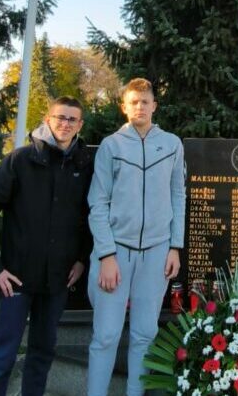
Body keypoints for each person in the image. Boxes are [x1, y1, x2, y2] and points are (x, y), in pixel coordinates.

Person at [0, 96, 93, 396]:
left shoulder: (83, 165)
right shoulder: (20, 160)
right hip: (14, 280)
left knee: (42, 353)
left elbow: (90, 217)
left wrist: (81, 259)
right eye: (60, 117)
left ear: (80, 125)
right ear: (48, 119)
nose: (65, 124)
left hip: (56, 281)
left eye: (72, 119)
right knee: (2, 358)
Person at [87, 78, 186, 396]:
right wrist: (105, 255)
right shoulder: (110, 145)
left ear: (154, 105)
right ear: (124, 107)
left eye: (145, 101)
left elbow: (178, 195)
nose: (140, 107)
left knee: (144, 332)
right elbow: (97, 202)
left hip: (157, 252)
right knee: (106, 335)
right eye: (133, 102)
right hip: (115, 252)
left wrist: (175, 246)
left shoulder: (172, 144)